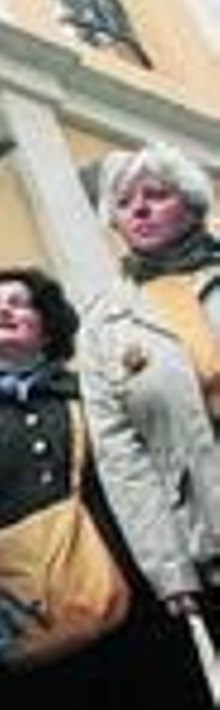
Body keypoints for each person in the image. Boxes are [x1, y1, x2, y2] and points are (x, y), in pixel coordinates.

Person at [0, 267, 213, 710]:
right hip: (26, 623)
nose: (2, 310)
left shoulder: (92, 392)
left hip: (131, 608)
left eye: (19, 303)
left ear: (48, 325)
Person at [81, 143, 220, 618]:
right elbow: (122, 457)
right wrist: (168, 568)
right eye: (123, 203)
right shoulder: (104, 325)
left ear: (192, 205)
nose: (139, 209)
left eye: (156, 195)